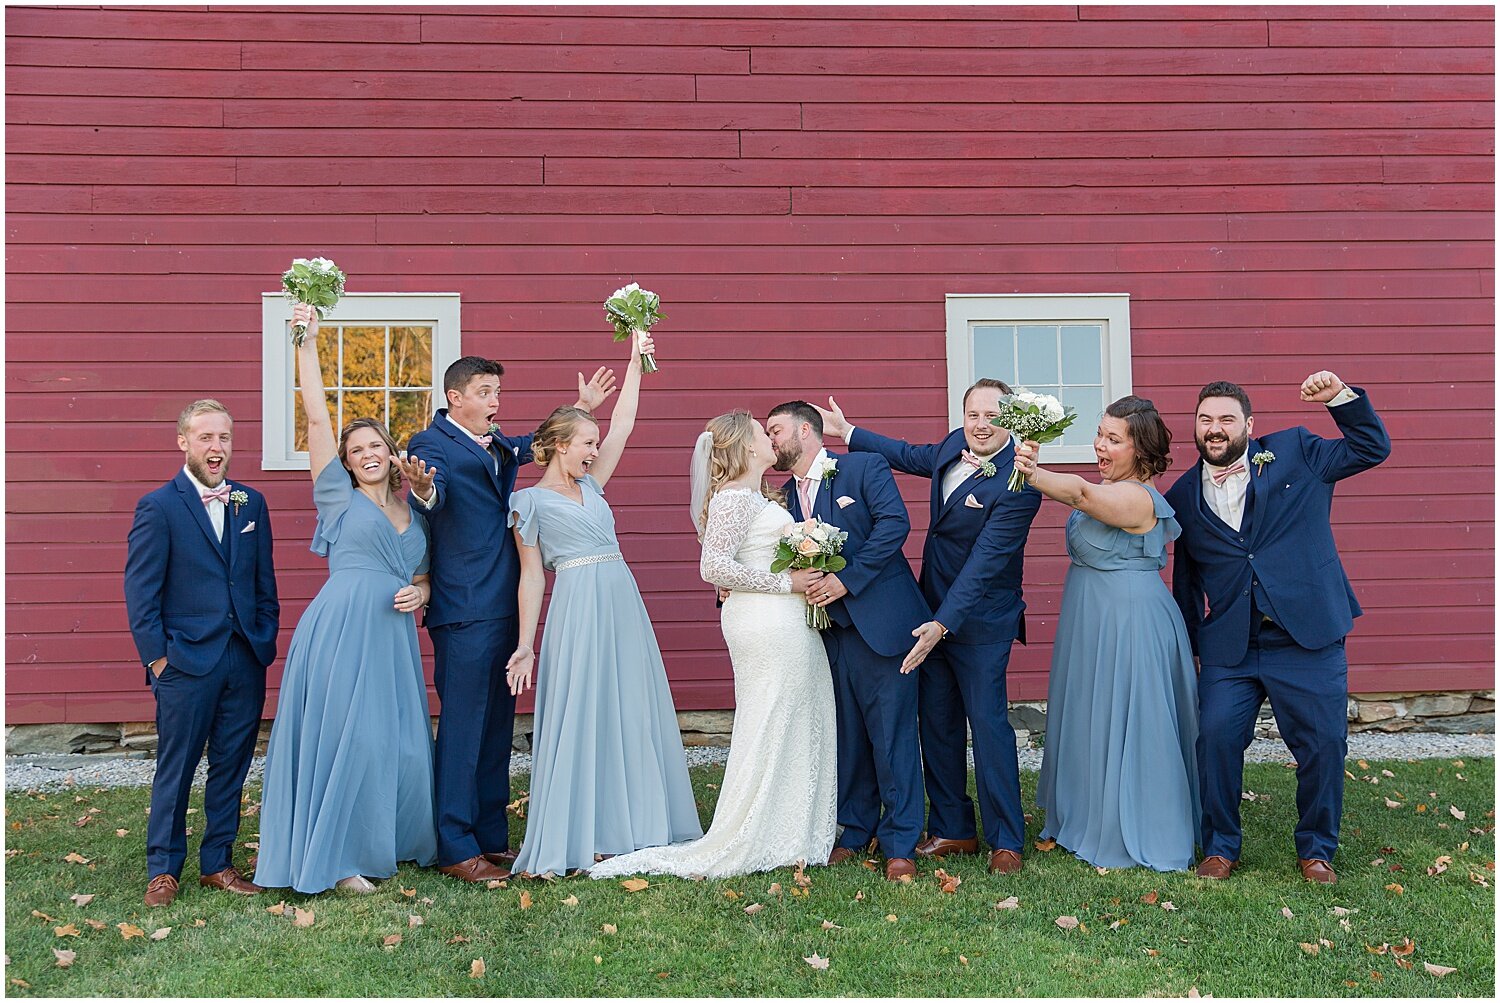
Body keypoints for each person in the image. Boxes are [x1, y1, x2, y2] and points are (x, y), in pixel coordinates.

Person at [406, 345, 623, 882]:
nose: (495, 401)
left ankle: (488, 835)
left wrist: (581, 405)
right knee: (463, 725)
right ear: (454, 398)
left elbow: (540, 447)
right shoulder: (430, 444)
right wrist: (424, 488)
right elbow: (433, 489)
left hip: (507, 602)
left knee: (498, 723)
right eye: (484, 393)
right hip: (465, 601)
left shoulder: (497, 442)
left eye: (497, 392)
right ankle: (455, 846)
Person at [1165, 372, 1390, 884]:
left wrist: (1339, 399)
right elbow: (1187, 579)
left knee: (1324, 744)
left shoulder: (1295, 451)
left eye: (1226, 419)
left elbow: (1371, 447)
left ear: (1249, 424)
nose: (1215, 428)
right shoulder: (1181, 494)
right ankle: (1220, 846)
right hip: (1231, 645)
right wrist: (1193, 645)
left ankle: (1316, 850)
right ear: (1195, 428)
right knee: (1215, 741)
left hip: (1306, 635)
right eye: (1205, 420)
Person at [593, 411, 837, 880]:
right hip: (764, 621)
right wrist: (786, 582)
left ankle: (794, 831)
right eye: (762, 434)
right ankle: (757, 831)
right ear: (746, 448)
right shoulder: (732, 499)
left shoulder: (758, 495)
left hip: (782, 617)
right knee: (769, 718)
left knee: (794, 714)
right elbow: (714, 567)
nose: (770, 439)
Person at [816, 380, 1041, 875]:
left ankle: (1006, 838)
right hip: (927, 613)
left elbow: (984, 564)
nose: (981, 423)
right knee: (937, 724)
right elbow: (908, 454)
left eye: (992, 415)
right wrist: (847, 431)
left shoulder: (1021, 482)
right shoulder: (950, 448)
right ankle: (954, 828)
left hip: (981, 620)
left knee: (987, 726)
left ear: (1013, 422)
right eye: (973, 413)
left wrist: (944, 622)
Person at [253, 304, 439, 894]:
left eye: (373, 445)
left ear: (389, 450)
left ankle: (389, 839)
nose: (365, 454)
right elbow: (313, 419)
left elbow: (425, 573)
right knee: (349, 738)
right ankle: (338, 861)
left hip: (392, 637)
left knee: (399, 742)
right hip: (341, 629)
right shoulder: (336, 496)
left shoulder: (415, 508)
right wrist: (305, 343)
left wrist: (421, 589)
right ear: (347, 459)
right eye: (355, 448)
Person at [505, 331, 701, 877]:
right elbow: (530, 579)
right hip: (576, 606)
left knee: (628, 705)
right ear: (559, 444)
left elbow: (626, 424)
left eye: (595, 443)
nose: (595, 451)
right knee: (582, 709)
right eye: (585, 444)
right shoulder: (528, 503)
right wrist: (526, 645)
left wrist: (636, 360)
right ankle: (580, 831)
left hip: (621, 600)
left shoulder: (594, 487)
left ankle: (634, 824)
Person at [1013, 396, 1201, 872]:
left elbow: (1079, 496)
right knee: (1094, 711)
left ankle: (1138, 824)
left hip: (1131, 621)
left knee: (1133, 717)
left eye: (1114, 440)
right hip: (1091, 616)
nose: (1100, 445)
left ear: (1141, 451)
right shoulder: (1113, 484)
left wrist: (1031, 471)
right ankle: (1087, 813)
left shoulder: (1139, 497)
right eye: (1100, 434)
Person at [768, 401, 932, 882]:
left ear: (805, 430)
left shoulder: (862, 466)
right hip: (828, 632)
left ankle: (901, 841)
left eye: (775, 430)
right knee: (849, 735)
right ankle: (856, 829)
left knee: (892, 736)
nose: (771, 440)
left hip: (881, 625)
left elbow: (894, 525)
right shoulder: (784, 495)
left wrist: (847, 580)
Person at [125, 399, 280, 907]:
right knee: (178, 767)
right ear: (184, 443)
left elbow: (264, 585)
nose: (217, 448)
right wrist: (158, 660)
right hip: (185, 663)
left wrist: (263, 640)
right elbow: (141, 593)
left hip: (243, 658)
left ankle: (218, 863)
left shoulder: (250, 503)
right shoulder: (159, 506)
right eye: (206, 438)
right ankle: (163, 870)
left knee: (232, 766)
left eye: (224, 439)